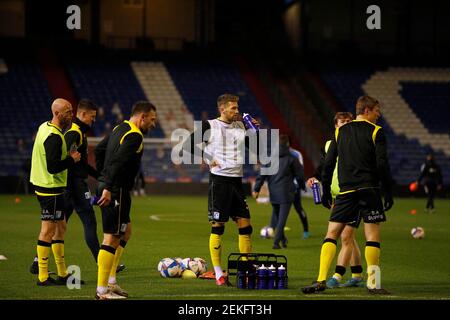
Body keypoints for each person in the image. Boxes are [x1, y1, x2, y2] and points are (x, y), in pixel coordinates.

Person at [302, 96, 394, 295]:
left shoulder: (340, 131)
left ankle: (320, 281)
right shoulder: (376, 131)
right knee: (372, 237)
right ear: (368, 110)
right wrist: (387, 190)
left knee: (331, 234)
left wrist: (326, 190)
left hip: (345, 192)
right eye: (377, 110)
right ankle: (373, 284)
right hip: (369, 190)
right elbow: (382, 164)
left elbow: (328, 163)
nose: (379, 115)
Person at [182, 93, 258, 286]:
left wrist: (254, 131)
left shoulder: (240, 125)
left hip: (237, 182)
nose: (237, 111)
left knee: (246, 225)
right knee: (218, 226)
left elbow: (255, 147)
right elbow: (187, 145)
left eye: (237, 108)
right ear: (222, 109)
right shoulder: (210, 125)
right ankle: (218, 274)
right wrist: (208, 158)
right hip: (219, 181)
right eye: (233, 108)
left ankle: (246, 269)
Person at [94, 101, 157, 300]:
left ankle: (111, 282)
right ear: (143, 117)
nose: (153, 124)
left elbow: (99, 151)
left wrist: (102, 178)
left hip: (112, 187)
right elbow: (117, 161)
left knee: (125, 232)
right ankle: (102, 291)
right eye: (152, 120)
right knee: (111, 237)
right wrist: (107, 187)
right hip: (115, 190)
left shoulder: (119, 127)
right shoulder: (135, 135)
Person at [306, 112, 364, 288]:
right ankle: (357, 275)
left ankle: (337, 276)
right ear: (336, 125)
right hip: (336, 196)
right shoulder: (330, 144)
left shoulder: (358, 144)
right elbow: (325, 164)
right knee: (349, 237)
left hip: (354, 194)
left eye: (349, 121)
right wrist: (315, 177)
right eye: (343, 122)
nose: (346, 124)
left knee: (346, 235)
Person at [30, 98, 81, 286]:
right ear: (58, 114)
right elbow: (52, 167)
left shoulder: (44, 127)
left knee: (61, 228)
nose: (71, 115)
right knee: (48, 231)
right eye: (68, 112)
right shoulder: (53, 136)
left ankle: (62, 273)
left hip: (49, 187)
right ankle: (43, 277)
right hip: (49, 188)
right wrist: (72, 159)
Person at [253, 134, 303, 249]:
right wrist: (301, 187)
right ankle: (276, 243)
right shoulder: (292, 158)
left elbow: (262, 174)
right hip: (286, 193)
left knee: (277, 216)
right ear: (288, 144)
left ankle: (283, 240)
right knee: (281, 220)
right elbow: (300, 176)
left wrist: (256, 189)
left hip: (273, 193)